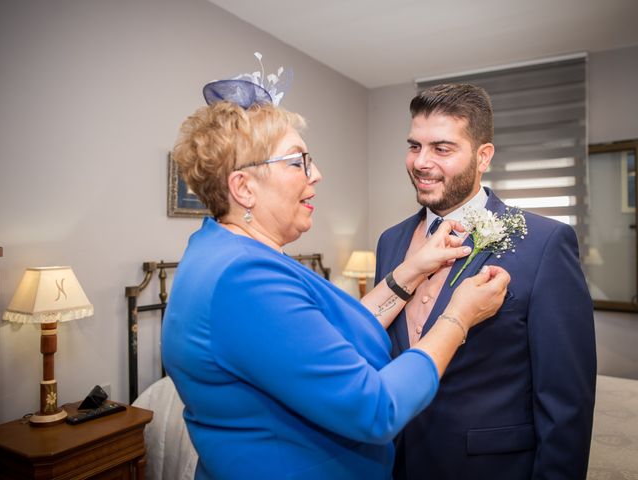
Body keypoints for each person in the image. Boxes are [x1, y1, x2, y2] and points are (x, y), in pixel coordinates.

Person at [161, 60, 510, 480]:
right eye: (297, 162)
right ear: (243, 187)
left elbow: (331, 339)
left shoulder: (225, 251)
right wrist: (460, 316)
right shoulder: (243, 279)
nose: (317, 174)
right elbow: (375, 409)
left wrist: (410, 271)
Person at [375, 83, 597, 480]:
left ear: (483, 156)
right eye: (414, 146)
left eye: (442, 149)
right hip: (396, 460)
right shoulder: (390, 241)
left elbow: (566, 403)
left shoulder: (544, 243)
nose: (421, 162)